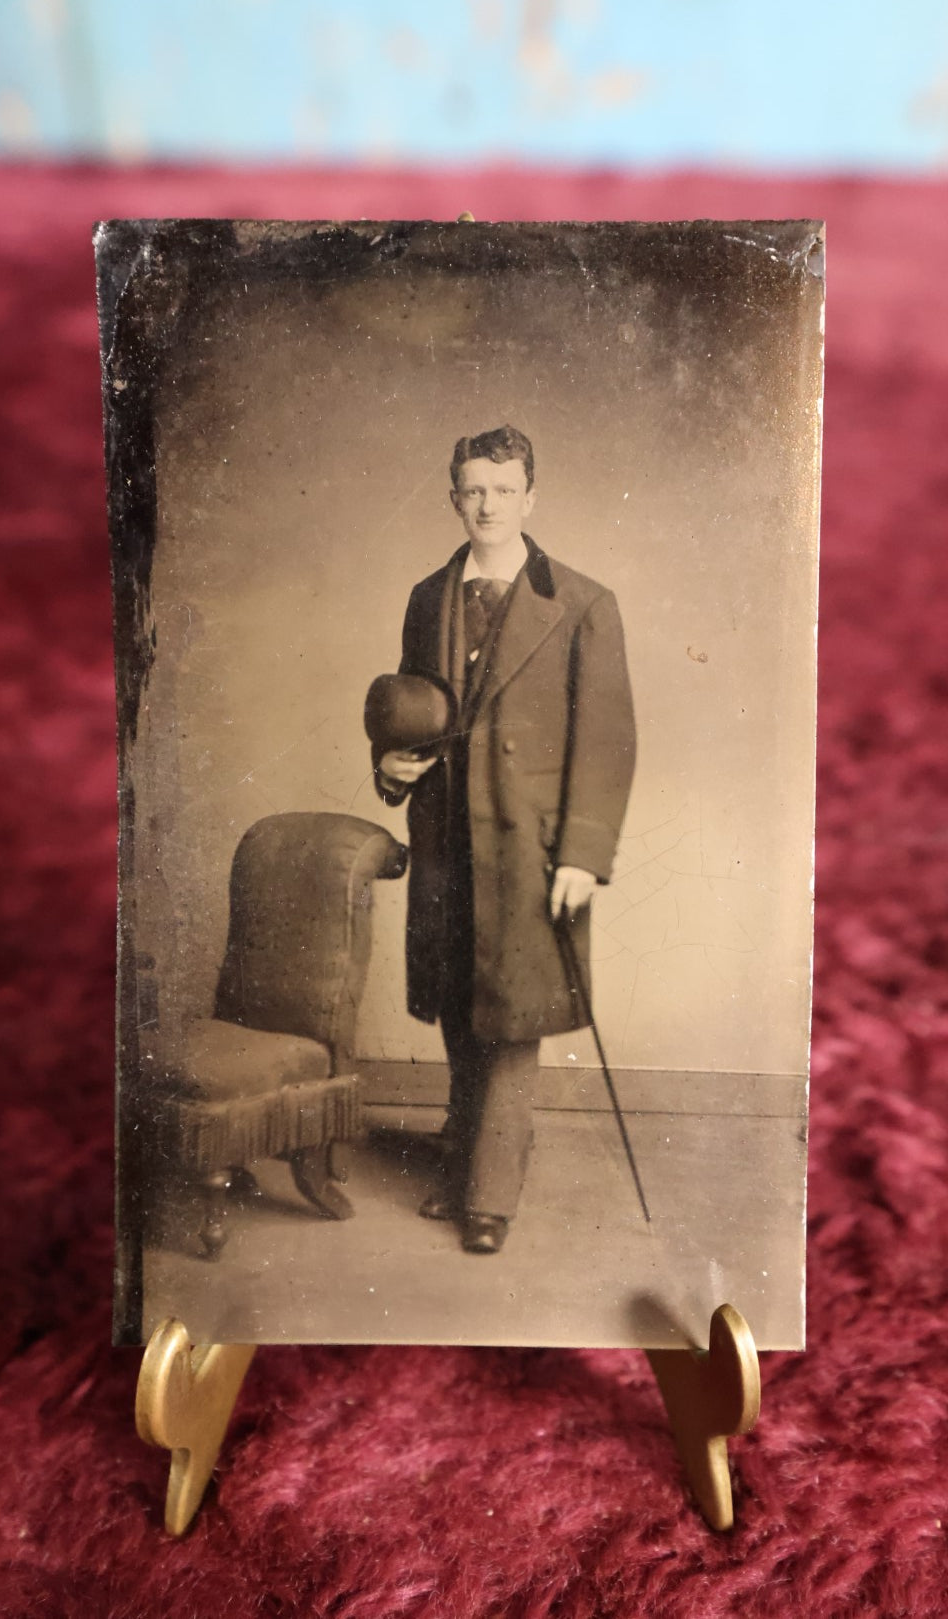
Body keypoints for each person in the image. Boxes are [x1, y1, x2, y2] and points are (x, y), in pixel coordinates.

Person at [374, 425, 636, 1254]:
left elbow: (607, 739)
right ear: (455, 496)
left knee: (514, 1015)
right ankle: (463, 1155)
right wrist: (390, 761)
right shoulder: (428, 597)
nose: (486, 504)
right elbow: (412, 709)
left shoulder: (583, 603)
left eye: (502, 489)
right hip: (450, 839)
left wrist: (585, 858)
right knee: (461, 1004)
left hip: (531, 847)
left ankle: (487, 1195)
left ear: (531, 497)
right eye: (471, 489)